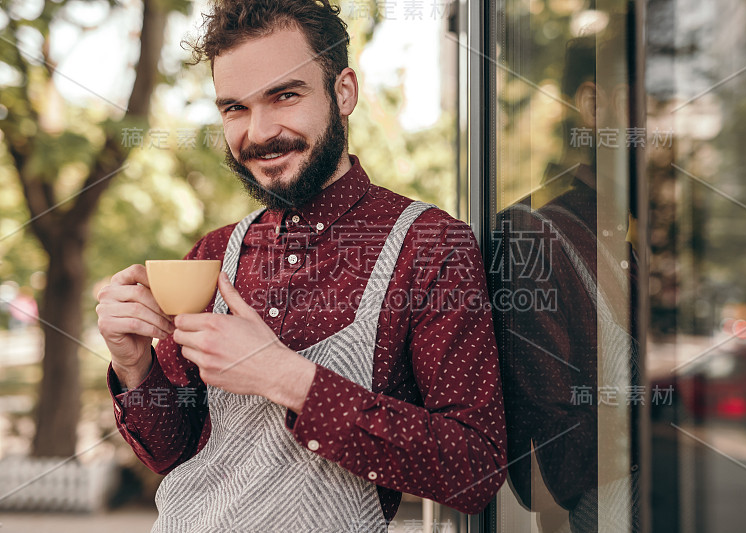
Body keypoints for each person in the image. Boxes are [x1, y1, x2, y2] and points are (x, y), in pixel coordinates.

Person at [95, 1, 506, 531]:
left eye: (284, 95)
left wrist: (285, 376)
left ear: (344, 92)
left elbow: (472, 468)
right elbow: (170, 453)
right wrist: (133, 366)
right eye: (234, 108)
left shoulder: (430, 245)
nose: (259, 132)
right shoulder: (212, 254)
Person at [489, 30, 640, 533]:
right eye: (659, 100)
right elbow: (544, 468)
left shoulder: (633, 234)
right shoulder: (534, 236)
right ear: (594, 105)